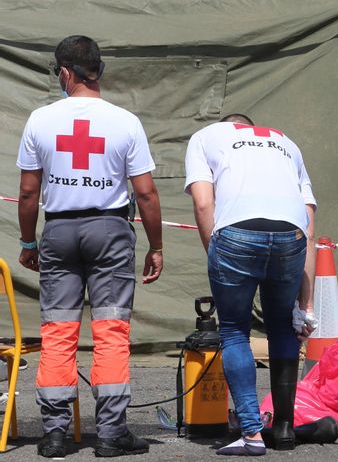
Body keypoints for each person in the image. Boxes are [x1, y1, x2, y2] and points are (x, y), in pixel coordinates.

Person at [16, 35, 163, 458]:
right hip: (110, 230)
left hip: (59, 232)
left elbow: (29, 194)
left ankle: (55, 434)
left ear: (64, 71)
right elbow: (147, 194)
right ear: (99, 71)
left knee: (58, 330)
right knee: (111, 329)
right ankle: (112, 433)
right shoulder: (125, 121)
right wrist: (156, 246)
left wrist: (29, 242)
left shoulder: (40, 120)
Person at [185, 115, 317, 455]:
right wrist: (307, 307)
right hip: (291, 234)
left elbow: (203, 203)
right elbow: (310, 226)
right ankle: (285, 429)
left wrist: (215, 253)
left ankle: (251, 433)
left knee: (233, 331)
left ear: (226, 125)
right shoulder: (287, 142)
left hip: (235, 233)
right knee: (283, 327)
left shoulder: (204, 137)